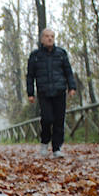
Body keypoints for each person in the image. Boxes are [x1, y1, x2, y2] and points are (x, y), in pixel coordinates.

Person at [26, 28, 77, 158]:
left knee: (59, 121)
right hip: (44, 92)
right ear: (42, 39)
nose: (50, 39)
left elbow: (68, 72)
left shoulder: (61, 53)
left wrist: (72, 87)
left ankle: (56, 148)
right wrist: (30, 93)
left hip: (60, 91)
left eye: (52, 36)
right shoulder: (35, 56)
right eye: (47, 36)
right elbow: (30, 76)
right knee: (47, 119)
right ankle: (44, 144)